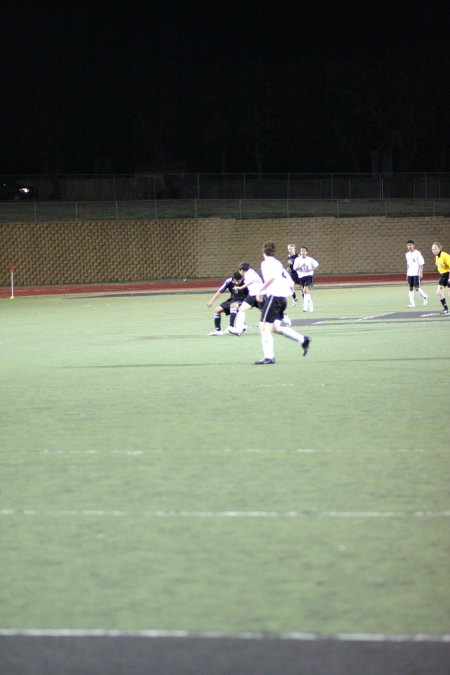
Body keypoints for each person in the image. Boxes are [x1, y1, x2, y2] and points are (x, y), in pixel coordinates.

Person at [254, 240, 311, 365]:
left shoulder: (265, 263)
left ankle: (269, 357)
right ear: (274, 252)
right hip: (282, 299)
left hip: (274, 297)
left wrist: (260, 291)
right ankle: (303, 339)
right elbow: (290, 282)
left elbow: (271, 278)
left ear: (263, 251)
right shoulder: (278, 263)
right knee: (275, 327)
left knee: (263, 326)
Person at [227, 262, 264, 335]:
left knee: (265, 311)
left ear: (241, 270)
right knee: (241, 309)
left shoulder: (249, 274)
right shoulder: (249, 272)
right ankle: (238, 330)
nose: (239, 273)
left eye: (239, 271)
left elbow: (251, 281)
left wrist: (241, 287)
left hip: (259, 294)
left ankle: (283, 317)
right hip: (252, 295)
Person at [292, 246, 319, 312]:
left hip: (308, 276)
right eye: (301, 251)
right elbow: (294, 268)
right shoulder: (297, 259)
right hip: (301, 277)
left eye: (304, 251)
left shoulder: (310, 259)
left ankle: (305, 306)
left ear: (306, 252)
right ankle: (311, 304)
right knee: (306, 291)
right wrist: (300, 266)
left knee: (305, 290)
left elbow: (316, 265)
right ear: (300, 252)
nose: (302, 252)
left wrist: (310, 269)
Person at [405, 240, 428, 307]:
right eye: (408, 245)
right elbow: (408, 264)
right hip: (410, 273)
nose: (409, 246)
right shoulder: (407, 254)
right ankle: (412, 303)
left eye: (410, 245)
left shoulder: (417, 253)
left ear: (413, 245)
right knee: (410, 288)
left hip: (416, 273)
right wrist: (407, 273)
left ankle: (424, 296)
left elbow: (421, 264)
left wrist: (421, 273)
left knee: (417, 288)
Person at [431, 241, 450, 314]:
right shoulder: (437, 257)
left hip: (448, 274)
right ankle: (446, 309)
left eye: (435, 249)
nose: (434, 250)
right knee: (439, 292)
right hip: (443, 275)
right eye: (432, 249)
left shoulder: (444, 255)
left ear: (439, 248)